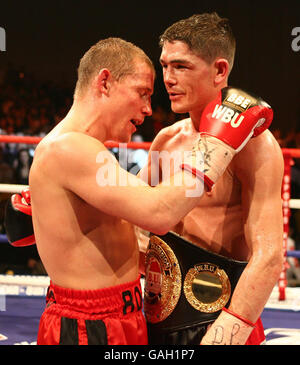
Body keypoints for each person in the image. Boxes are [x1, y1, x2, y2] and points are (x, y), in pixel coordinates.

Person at [4, 37, 272, 345]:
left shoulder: (92, 151)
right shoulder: (68, 148)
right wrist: (218, 143)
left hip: (126, 314)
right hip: (89, 327)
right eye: (142, 93)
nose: (148, 108)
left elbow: (138, 221)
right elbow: (159, 212)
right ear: (104, 82)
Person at [138, 13, 284, 345]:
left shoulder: (255, 147)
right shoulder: (166, 140)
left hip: (220, 318)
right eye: (164, 66)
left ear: (220, 71)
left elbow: (270, 255)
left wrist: (226, 336)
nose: (168, 79)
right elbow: (137, 226)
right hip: (158, 317)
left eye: (181, 67)